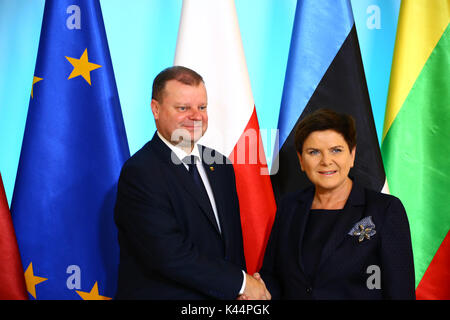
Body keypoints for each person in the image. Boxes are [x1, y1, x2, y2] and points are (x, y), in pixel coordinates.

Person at [114, 66, 270, 300]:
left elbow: (232, 247)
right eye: (183, 108)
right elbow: (169, 255)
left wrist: (240, 293)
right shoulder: (140, 172)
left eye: (202, 107)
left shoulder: (221, 166)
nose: (196, 116)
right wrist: (240, 283)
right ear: (155, 109)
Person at [259, 108, 415, 299]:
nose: (326, 161)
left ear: (352, 155)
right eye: (314, 152)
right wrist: (255, 292)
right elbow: (273, 277)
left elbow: (400, 292)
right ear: (301, 160)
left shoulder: (385, 210)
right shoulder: (289, 207)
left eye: (336, 150)